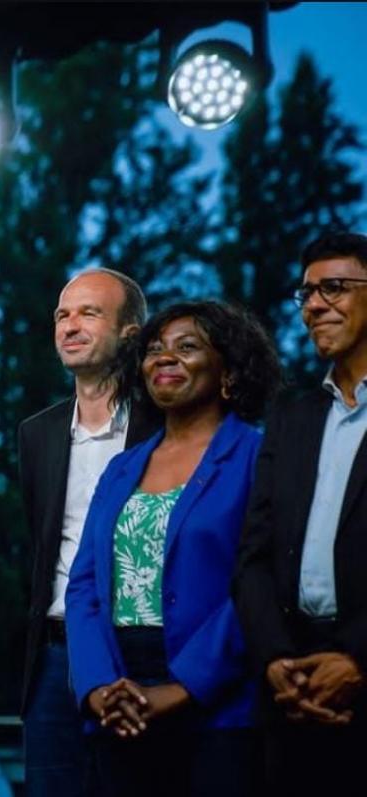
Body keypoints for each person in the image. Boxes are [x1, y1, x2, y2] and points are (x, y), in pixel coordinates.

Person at [66, 301, 282, 797]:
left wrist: (182, 687)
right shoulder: (122, 469)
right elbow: (83, 588)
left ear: (228, 370)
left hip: (218, 705)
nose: (164, 358)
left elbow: (260, 580)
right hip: (119, 699)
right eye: (155, 350)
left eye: (187, 347)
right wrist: (100, 688)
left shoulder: (258, 456)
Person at [233, 230, 367, 795]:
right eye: (306, 293)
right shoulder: (290, 415)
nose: (314, 305)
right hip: (289, 690)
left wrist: (360, 661)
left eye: (333, 288)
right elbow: (252, 557)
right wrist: (276, 662)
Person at [18, 268, 156, 797]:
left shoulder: (165, 424)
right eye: (62, 315)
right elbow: (39, 543)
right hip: (54, 658)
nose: (69, 325)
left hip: (140, 651)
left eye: (89, 313)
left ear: (130, 331)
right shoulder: (37, 433)